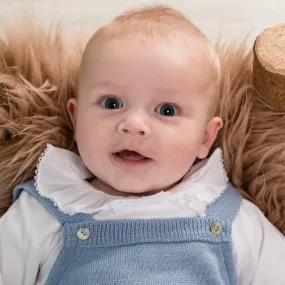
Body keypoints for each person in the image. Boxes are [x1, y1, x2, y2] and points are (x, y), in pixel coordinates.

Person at [0, 5, 284, 285]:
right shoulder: (43, 212)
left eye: (167, 110)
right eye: (112, 103)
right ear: (76, 120)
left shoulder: (234, 220)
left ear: (205, 138)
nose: (134, 124)